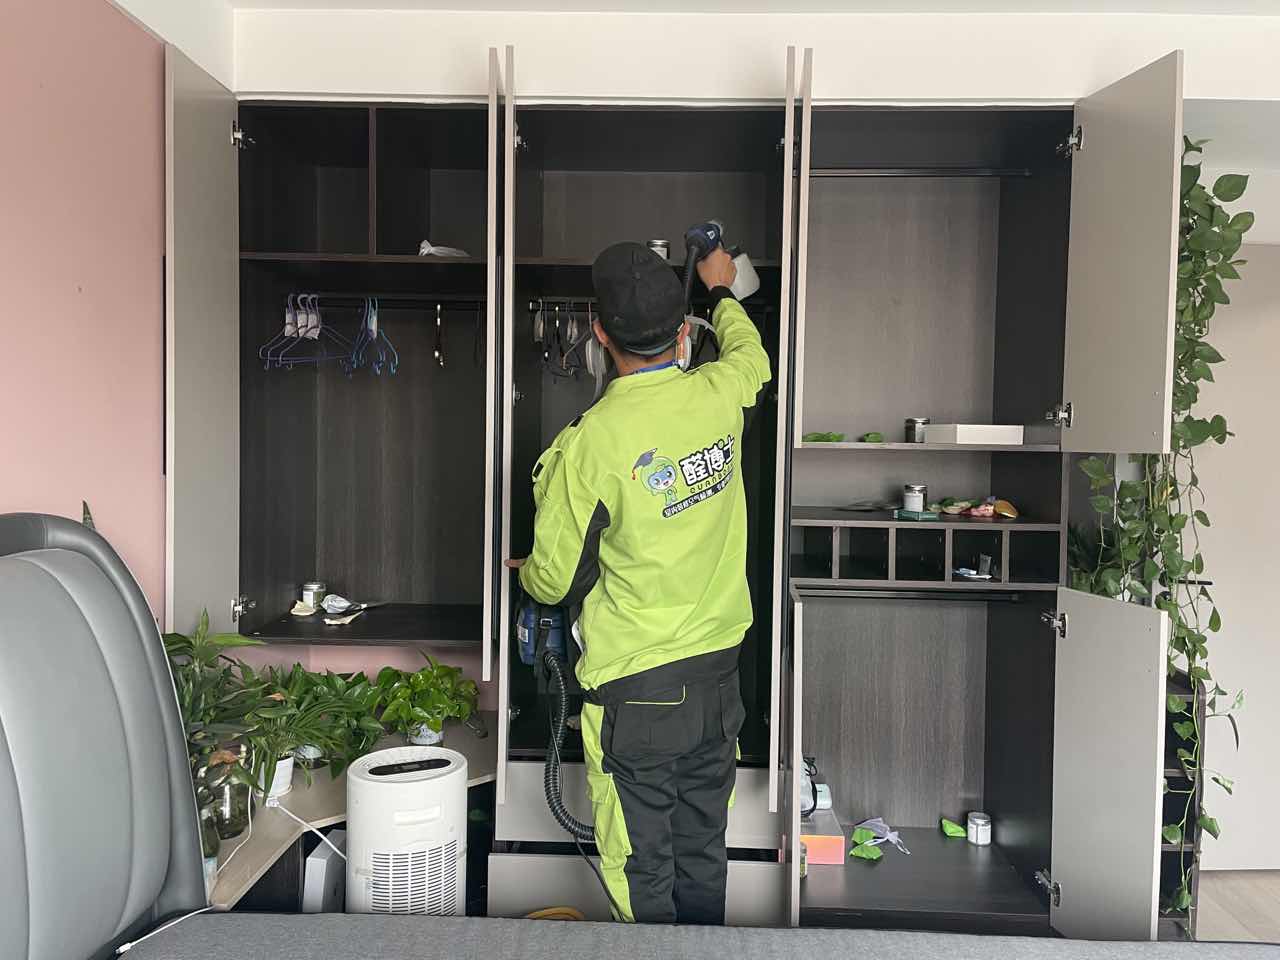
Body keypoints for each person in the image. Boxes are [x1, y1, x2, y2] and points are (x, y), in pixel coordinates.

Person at [507, 240, 771, 925]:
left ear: (599, 333)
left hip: (637, 695)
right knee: (702, 854)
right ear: (683, 334)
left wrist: (528, 571)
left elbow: (553, 581)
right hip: (719, 684)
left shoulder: (591, 442)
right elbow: (752, 358)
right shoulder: (720, 392)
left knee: (640, 871)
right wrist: (721, 290)